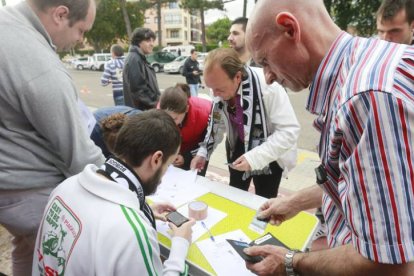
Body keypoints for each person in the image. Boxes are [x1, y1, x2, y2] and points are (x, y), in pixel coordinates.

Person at [245, 0, 414, 275]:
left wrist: (289, 261)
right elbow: (362, 183)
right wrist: (294, 203)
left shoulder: (365, 98)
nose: (267, 77)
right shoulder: (369, 62)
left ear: (290, 28)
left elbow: (388, 263)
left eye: (265, 60)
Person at [0, 1, 105, 275]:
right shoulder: (37, 63)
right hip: (31, 191)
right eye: (82, 30)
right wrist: (125, 186)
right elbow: (79, 155)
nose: (81, 40)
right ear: (60, 14)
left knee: (26, 250)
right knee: (60, 259)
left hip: (10, 186)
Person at [32, 110, 195, 275]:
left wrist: (141, 212)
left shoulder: (65, 187)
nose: (164, 174)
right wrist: (180, 244)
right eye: (167, 165)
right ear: (156, 159)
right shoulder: (131, 233)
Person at [191, 48, 299, 199]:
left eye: (219, 89)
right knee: (235, 193)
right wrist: (204, 153)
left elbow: (289, 132)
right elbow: (217, 123)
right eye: (211, 88)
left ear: (237, 77)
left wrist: (254, 158)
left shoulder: (269, 87)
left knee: (264, 200)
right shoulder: (218, 87)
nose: (214, 94)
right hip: (238, 145)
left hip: (269, 151)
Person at [159, 84, 211, 175]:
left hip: (196, 150)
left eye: (175, 118)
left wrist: (187, 156)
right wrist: (170, 153)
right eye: (167, 118)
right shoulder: (159, 112)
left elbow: (208, 143)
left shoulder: (205, 114)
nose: (171, 122)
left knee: (195, 178)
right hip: (176, 148)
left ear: (186, 109)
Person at [123, 27, 160, 110]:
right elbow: (138, 91)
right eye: (148, 41)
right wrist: (156, 104)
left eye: (152, 41)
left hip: (144, 111)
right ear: (138, 42)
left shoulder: (139, 58)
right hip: (141, 112)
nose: (152, 44)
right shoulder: (135, 59)